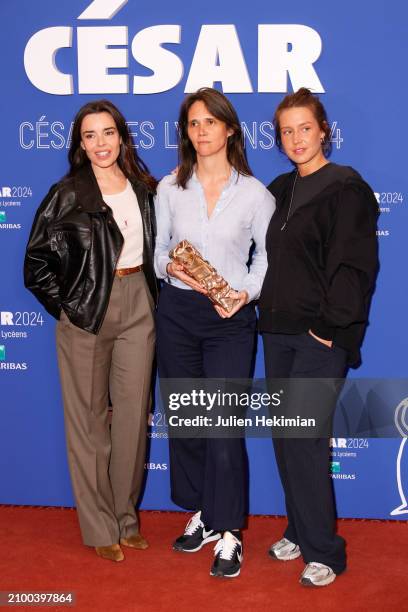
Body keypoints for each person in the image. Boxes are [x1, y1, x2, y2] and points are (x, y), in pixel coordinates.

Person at [24, 100, 157, 563]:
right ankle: (100, 526)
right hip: (86, 314)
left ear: (121, 136)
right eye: (90, 135)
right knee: (88, 423)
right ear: (80, 144)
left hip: (138, 299)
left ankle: (125, 518)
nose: (100, 143)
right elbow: (36, 263)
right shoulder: (67, 193)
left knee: (133, 420)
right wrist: (69, 308)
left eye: (108, 133)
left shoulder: (143, 189)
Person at [259, 88, 379, 586]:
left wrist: (332, 328)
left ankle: (326, 551)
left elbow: (355, 266)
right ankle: (300, 528)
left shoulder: (345, 187)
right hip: (278, 330)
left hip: (319, 336)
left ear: (323, 130)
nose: (295, 138)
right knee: (286, 440)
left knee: (304, 438)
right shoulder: (281, 187)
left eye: (304, 128)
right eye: (286, 131)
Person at [154, 87, 275, 578]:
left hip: (230, 321)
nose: (201, 131)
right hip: (178, 315)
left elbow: (266, 258)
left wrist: (245, 292)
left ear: (229, 129)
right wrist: (170, 269)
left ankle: (230, 532)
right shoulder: (168, 188)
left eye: (210, 122)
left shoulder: (254, 193)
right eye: (193, 123)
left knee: (223, 428)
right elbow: (159, 251)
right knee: (186, 423)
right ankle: (204, 513)